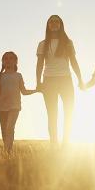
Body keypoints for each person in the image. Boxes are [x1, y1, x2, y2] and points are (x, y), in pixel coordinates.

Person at [36, 15, 84, 146]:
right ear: (48, 25)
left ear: (61, 24)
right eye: (51, 21)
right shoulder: (42, 44)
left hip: (65, 79)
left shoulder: (68, 43)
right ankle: (54, 144)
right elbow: (39, 64)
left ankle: (66, 144)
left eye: (56, 21)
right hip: (48, 80)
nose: (54, 23)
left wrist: (80, 78)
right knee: (52, 114)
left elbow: (73, 62)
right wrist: (38, 82)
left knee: (69, 112)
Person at [0, 51, 38, 152]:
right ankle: (8, 151)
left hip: (15, 106)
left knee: (9, 127)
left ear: (16, 61)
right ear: (2, 62)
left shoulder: (18, 76)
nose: (8, 60)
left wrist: (36, 90)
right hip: (2, 107)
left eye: (11, 58)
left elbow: (24, 91)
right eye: (6, 58)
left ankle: (8, 150)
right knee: (4, 131)